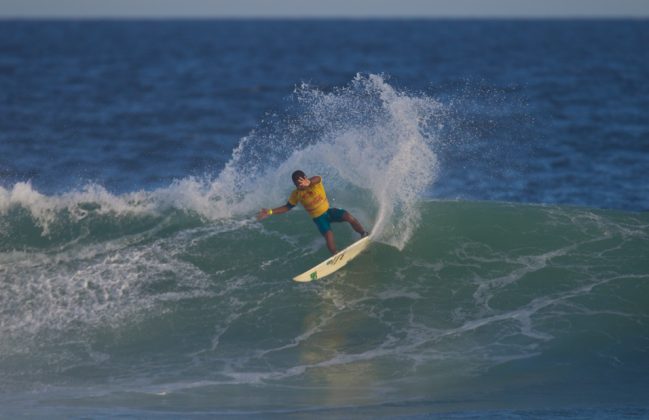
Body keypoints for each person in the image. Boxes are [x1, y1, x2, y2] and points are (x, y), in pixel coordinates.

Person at [257, 170, 369, 254]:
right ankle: (336, 255)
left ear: (305, 178)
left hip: (329, 211)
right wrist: (270, 211)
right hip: (319, 218)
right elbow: (287, 207)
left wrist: (309, 182)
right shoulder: (296, 194)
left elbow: (318, 178)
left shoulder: (315, 183)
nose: (299, 185)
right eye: (297, 184)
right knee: (329, 237)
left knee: (349, 217)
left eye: (300, 182)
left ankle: (363, 233)